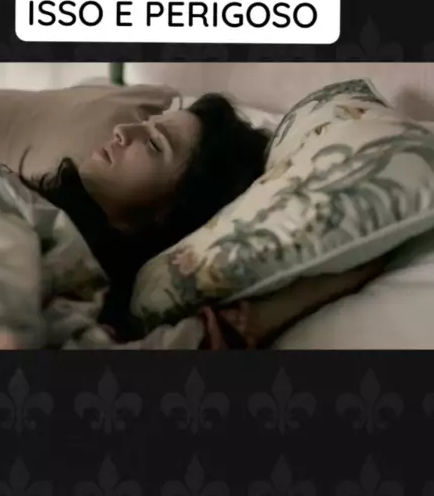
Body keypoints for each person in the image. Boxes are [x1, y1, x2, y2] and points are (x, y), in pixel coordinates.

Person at [21, 93, 271, 333]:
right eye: (144, 123)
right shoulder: (29, 203)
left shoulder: (76, 283)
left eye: (153, 143)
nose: (121, 130)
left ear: (174, 211)